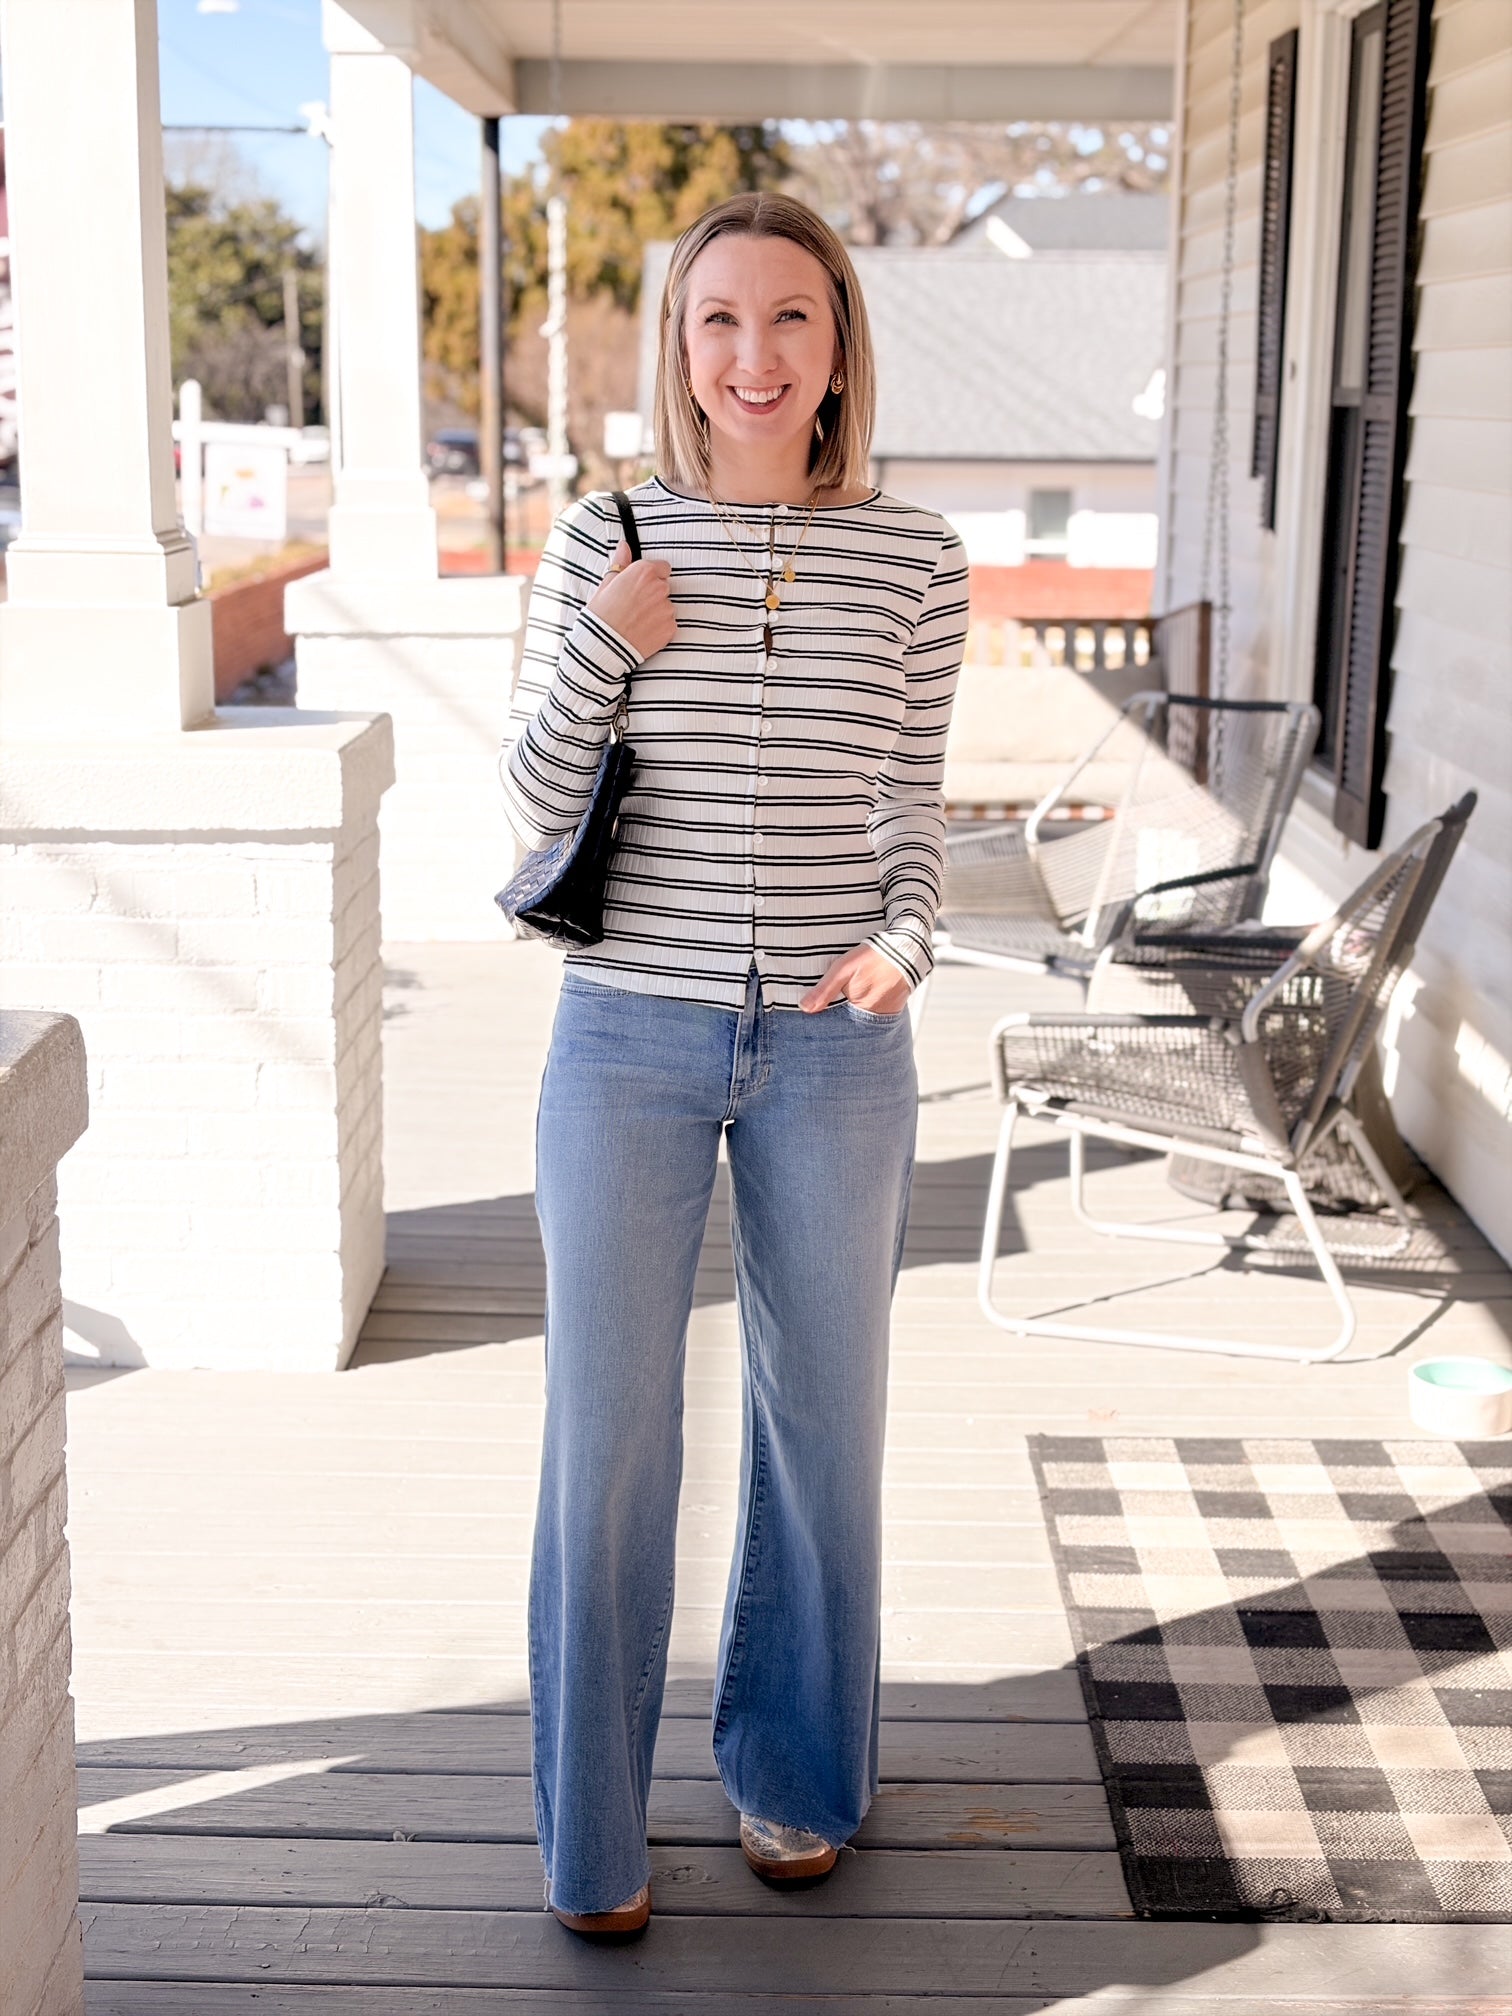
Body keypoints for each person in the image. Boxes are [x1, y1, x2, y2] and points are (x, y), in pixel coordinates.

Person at [500, 191, 968, 1939]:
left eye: (790, 319)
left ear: (839, 347)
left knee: (824, 1429)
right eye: (718, 319)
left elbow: (912, 804)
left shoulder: (916, 559)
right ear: (677, 345)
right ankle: (592, 1843)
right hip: (626, 1032)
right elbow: (533, 805)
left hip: (837, 1049)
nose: (753, 355)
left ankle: (790, 1773)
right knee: (607, 1435)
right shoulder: (604, 537)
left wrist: (909, 940)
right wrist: (609, 646)